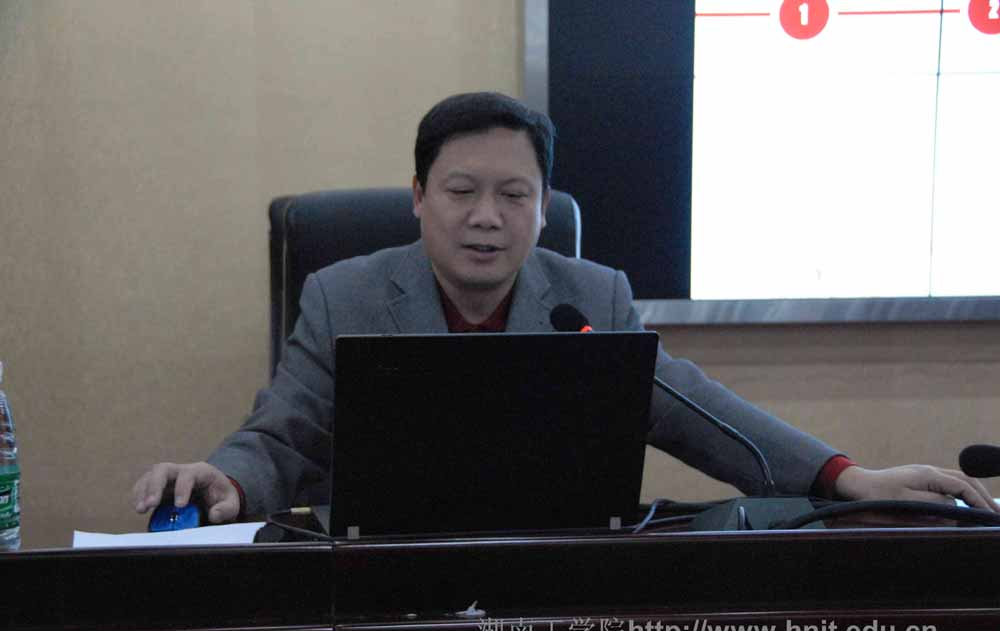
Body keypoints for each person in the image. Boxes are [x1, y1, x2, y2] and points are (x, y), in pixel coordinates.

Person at [133, 92, 998, 524]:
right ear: (419, 198)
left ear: (545, 209)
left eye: (514, 194)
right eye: (461, 191)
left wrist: (847, 477)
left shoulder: (590, 299)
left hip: (557, 584)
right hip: (384, 585)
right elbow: (281, 433)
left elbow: (704, 415)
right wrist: (227, 479)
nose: (486, 216)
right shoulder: (345, 293)